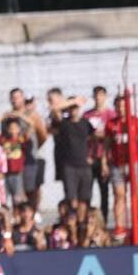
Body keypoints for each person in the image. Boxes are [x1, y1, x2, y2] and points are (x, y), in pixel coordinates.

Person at [104, 95, 138, 240]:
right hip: (117, 164)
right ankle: (120, 227)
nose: (121, 109)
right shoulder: (111, 124)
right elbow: (107, 145)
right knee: (119, 194)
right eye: (118, 106)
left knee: (137, 194)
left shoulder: (137, 122)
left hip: (134, 163)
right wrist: (105, 163)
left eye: (124, 106)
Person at [50, 96, 94, 230]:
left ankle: (81, 225)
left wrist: (91, 155)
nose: (73, 110)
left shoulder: (85, 123)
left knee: (84, 199)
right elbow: (54, 108)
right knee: (71, 198)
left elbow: (94, 139)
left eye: (75, 107)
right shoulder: (64, 123)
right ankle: (71, 225)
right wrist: (73, 101)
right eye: (71, 108)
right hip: (69, 166)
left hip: (84, 166)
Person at [84, 86, 114, 220]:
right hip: (90, 158)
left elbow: (113, 135)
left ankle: (105, 221)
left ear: (105, 97)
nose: (98, 98)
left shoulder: (111, 115)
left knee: (104, 192)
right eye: (96, 95)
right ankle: (87, 220)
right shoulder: (87, 115)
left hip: (104, 158)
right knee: (87, 193)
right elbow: (82, 136)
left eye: (101, 95)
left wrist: (103, 136)